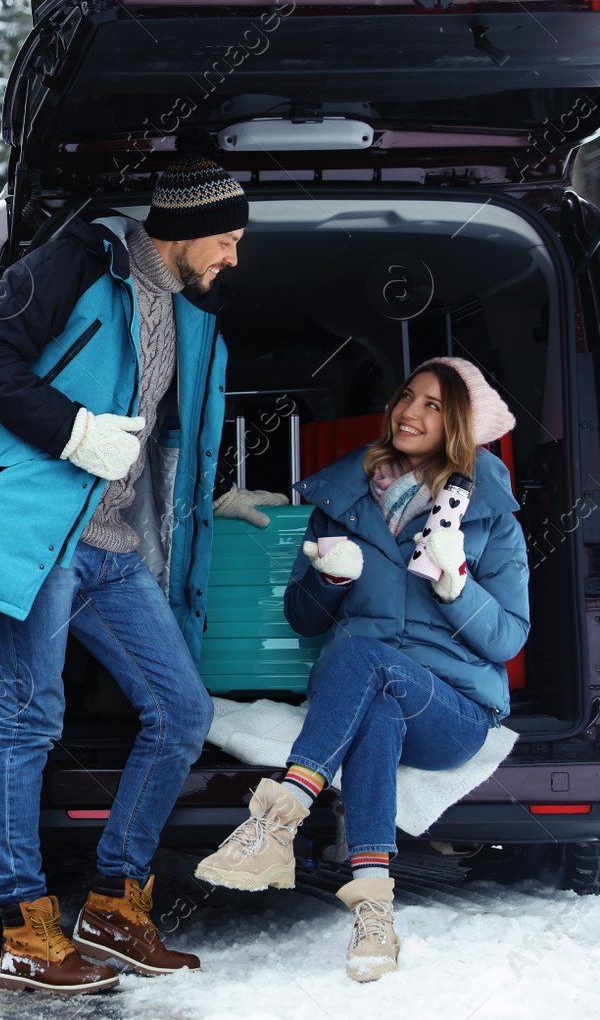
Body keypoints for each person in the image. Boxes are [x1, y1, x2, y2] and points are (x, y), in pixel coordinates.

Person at [0, 157, 249, 994]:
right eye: (229, 239)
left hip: (111, 546)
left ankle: (112, 902)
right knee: (31, 716)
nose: (234, 258)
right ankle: (27, 926)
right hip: (43, 537)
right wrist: (72, 431)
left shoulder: (188, 316)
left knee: (181, 708)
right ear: (182, 229)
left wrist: (219, 501)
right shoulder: (76, 261)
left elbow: (179, 441)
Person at [195, 357, 529, 983]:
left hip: (451, 709)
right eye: (407, 396)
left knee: (362, 656)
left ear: (458, 423)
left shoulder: (490, 520)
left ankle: (277, 822)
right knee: (372, 702)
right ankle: (375, 912)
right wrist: (327, 578)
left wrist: (458, 582)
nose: (411, 411)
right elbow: (304, 619)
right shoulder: (342, 501)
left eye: (433, 404)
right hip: (364, 694)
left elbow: (509, 638)